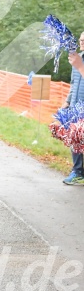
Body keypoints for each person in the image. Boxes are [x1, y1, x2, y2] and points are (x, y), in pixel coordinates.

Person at [61, 32, 84, 185]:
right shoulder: (78, 58)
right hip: (76, 106)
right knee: (75, 139)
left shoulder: (78, 62)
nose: (81, 41)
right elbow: (73, 83)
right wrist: (67, 102)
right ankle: (78, 173)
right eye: (81, 39)